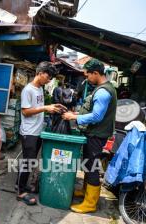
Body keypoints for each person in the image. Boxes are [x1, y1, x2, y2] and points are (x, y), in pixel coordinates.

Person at [63, 59, 117, 213]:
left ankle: (90, 203)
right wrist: (75, 113)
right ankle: (86, 192)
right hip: (95, 133)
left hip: (96, 134)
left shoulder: (103, 91)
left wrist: (74, 118)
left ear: (96, 73)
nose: (87, 78)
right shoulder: (103, 88)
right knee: (88, 164)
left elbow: (97, 116)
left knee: (92, 167)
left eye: (88, 75)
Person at [16, 62, 66, 205]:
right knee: (27, 162)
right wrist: (45, 108)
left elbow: (38, 107)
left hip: (37, 131)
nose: (49, 80)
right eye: (48, 76)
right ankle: (20, 192)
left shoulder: (39, 89)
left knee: (30, 162)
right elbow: (25, 111)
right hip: (29, 132)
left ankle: (21, 184)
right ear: (40, 73)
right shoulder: (28, 90)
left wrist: (54, 106)